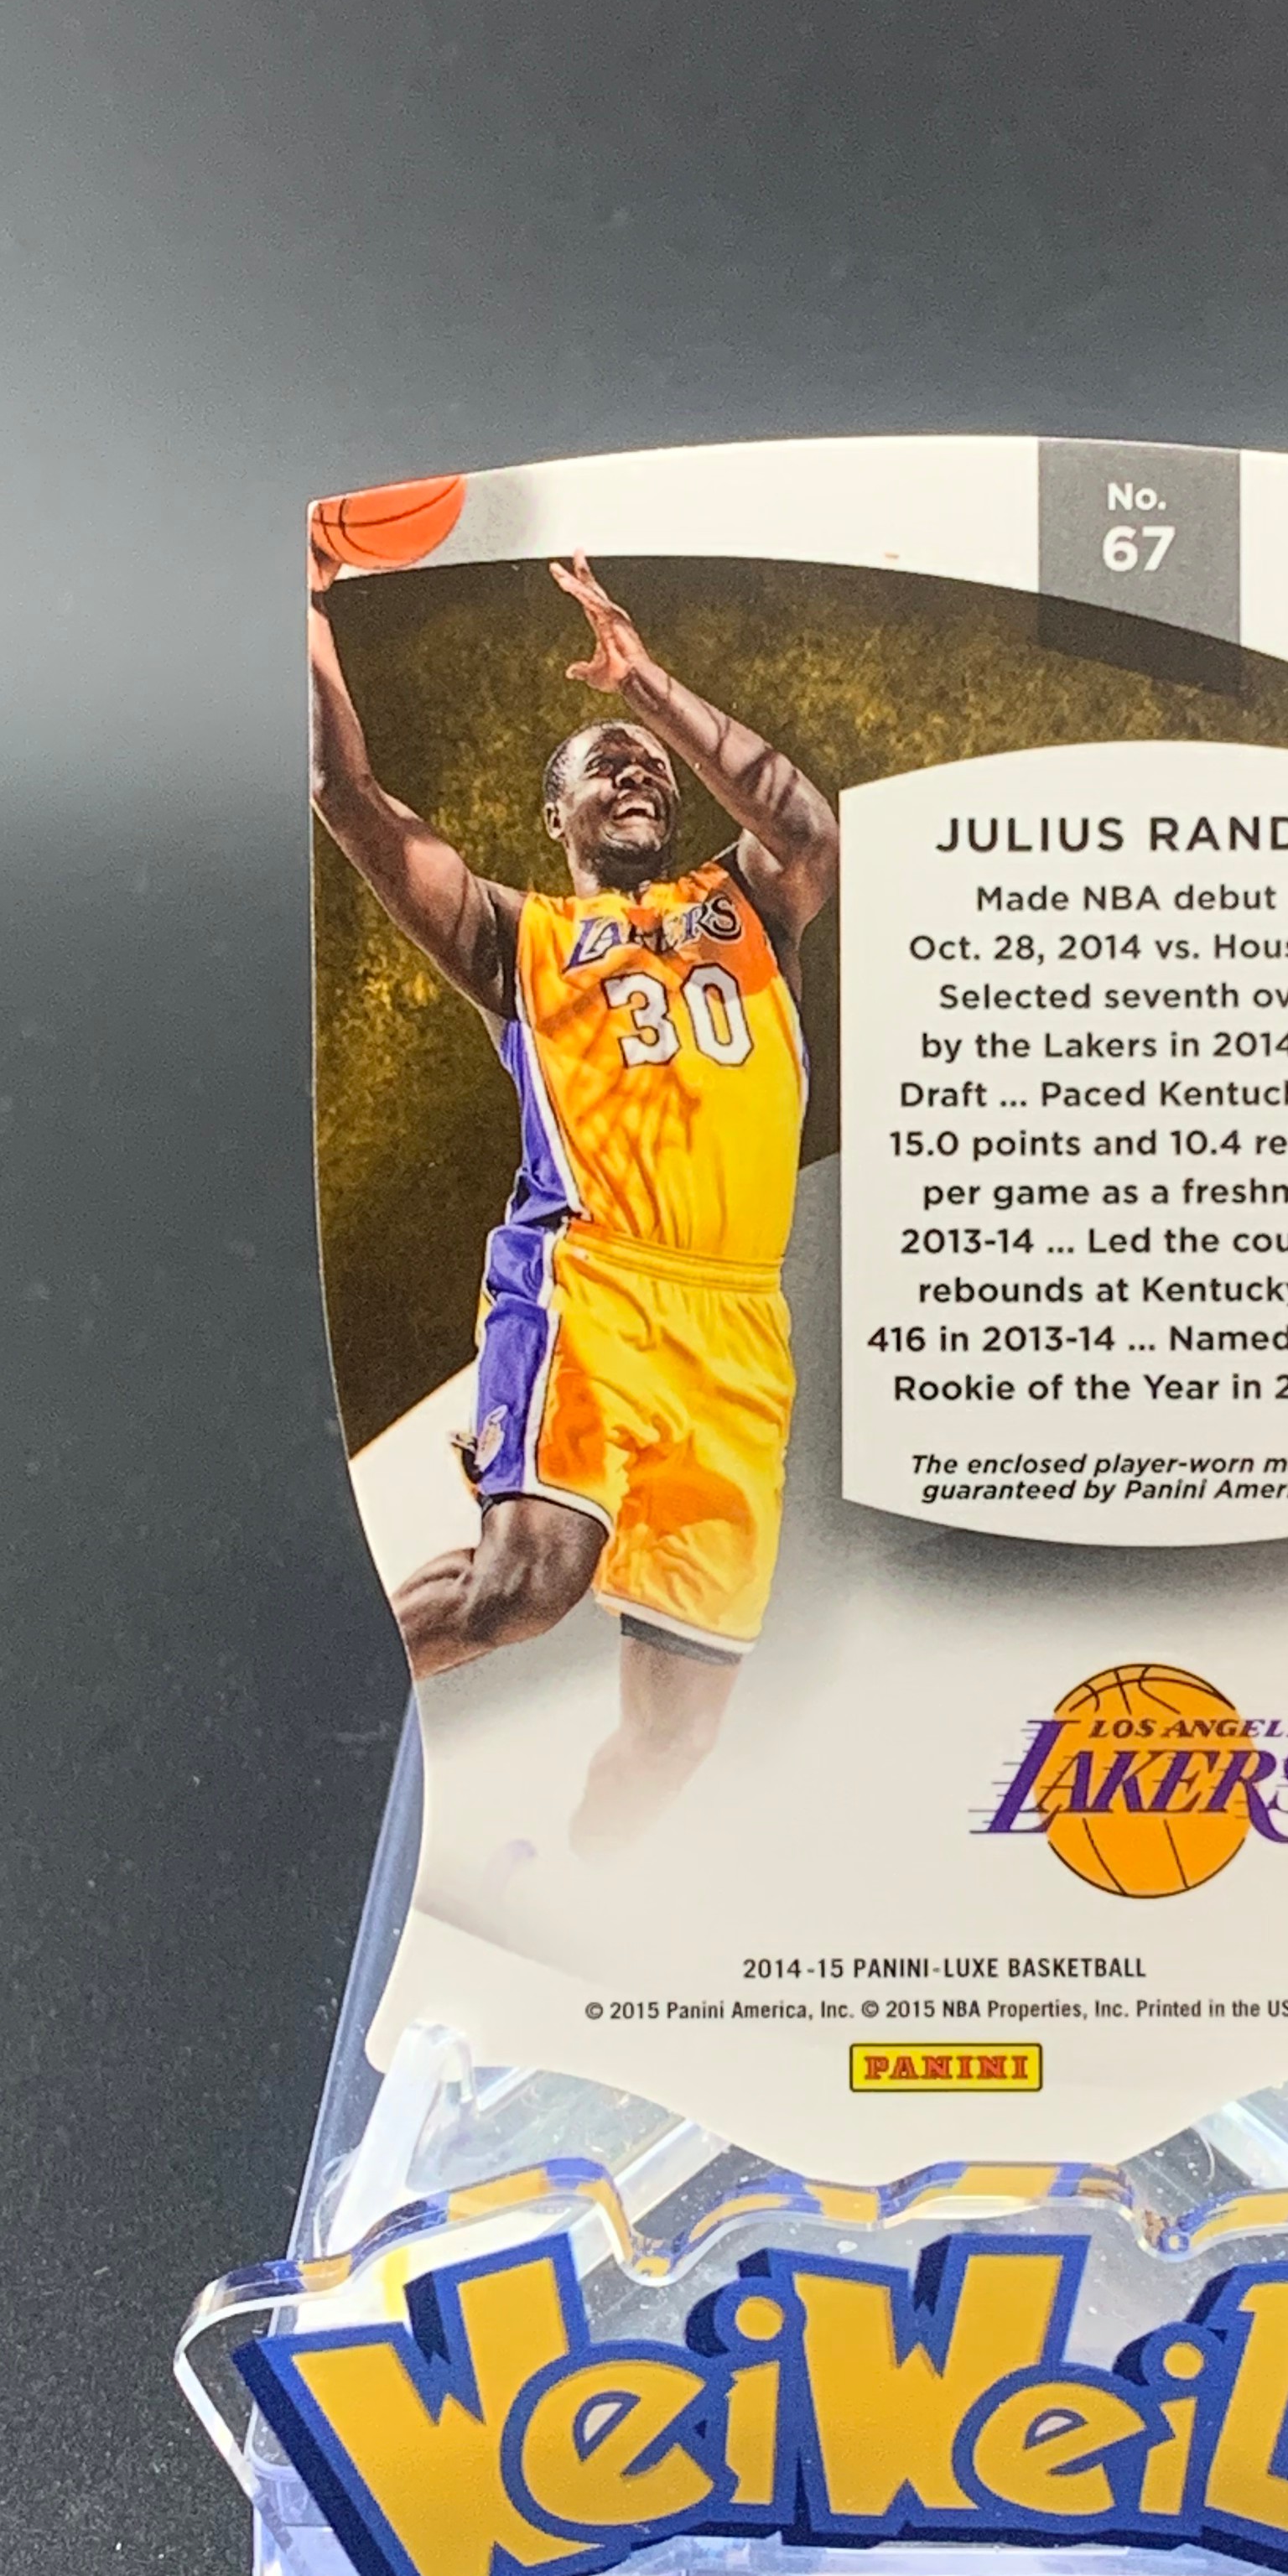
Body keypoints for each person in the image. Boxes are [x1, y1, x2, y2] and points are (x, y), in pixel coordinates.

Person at [308, 542, 839, 1852]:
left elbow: (806, 821)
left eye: (649, 764)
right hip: (591, 1284)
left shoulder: (752, 906)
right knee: (524, 1588)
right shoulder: (520, 939)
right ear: (558, 819)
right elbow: (348, 794)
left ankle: (580, 1886)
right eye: (603, 765)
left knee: (679, 1731)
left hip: (739, 1333)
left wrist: (645, 683)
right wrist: (305, 610)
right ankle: (296, 1700)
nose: (635, 773)